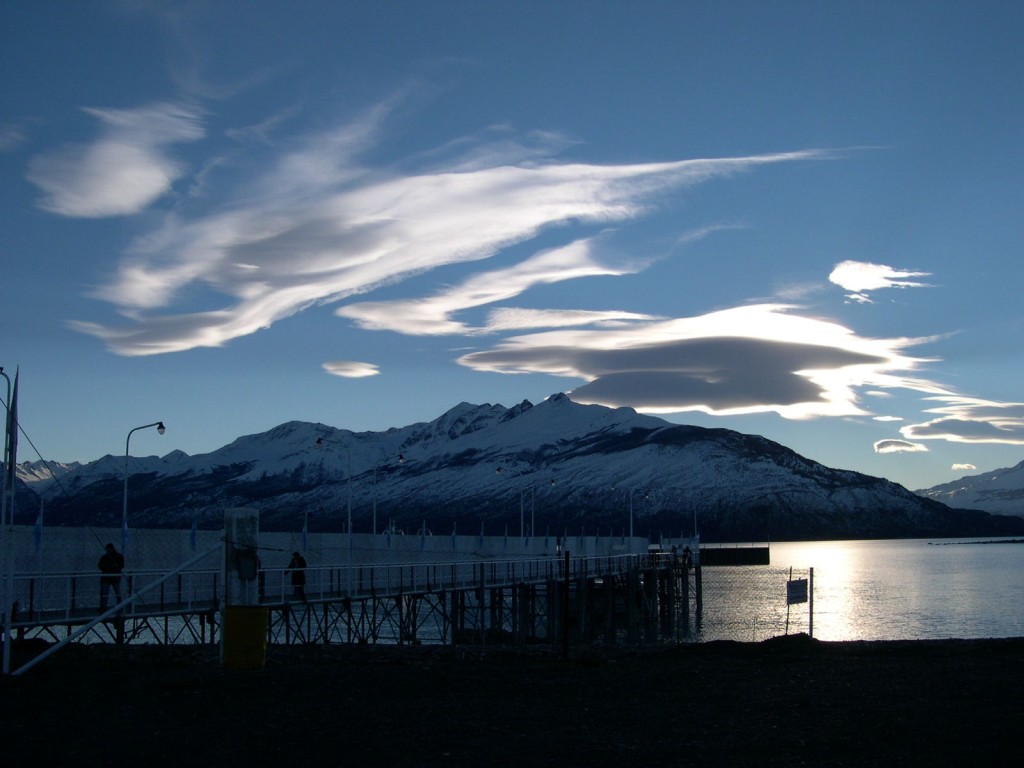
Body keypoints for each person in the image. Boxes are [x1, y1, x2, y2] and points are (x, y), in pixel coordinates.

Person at [98, 542, 125, 611]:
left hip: (113, 577)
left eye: (108, 549)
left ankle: (119, 606)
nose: (108, 551)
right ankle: (104, 607)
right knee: (105, 594)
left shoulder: (118, 557)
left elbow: (121, 565)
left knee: (116, 592)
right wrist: (109, 567)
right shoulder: (105, 557)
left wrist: (111, 567)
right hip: (108, 578)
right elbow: (100, 565)